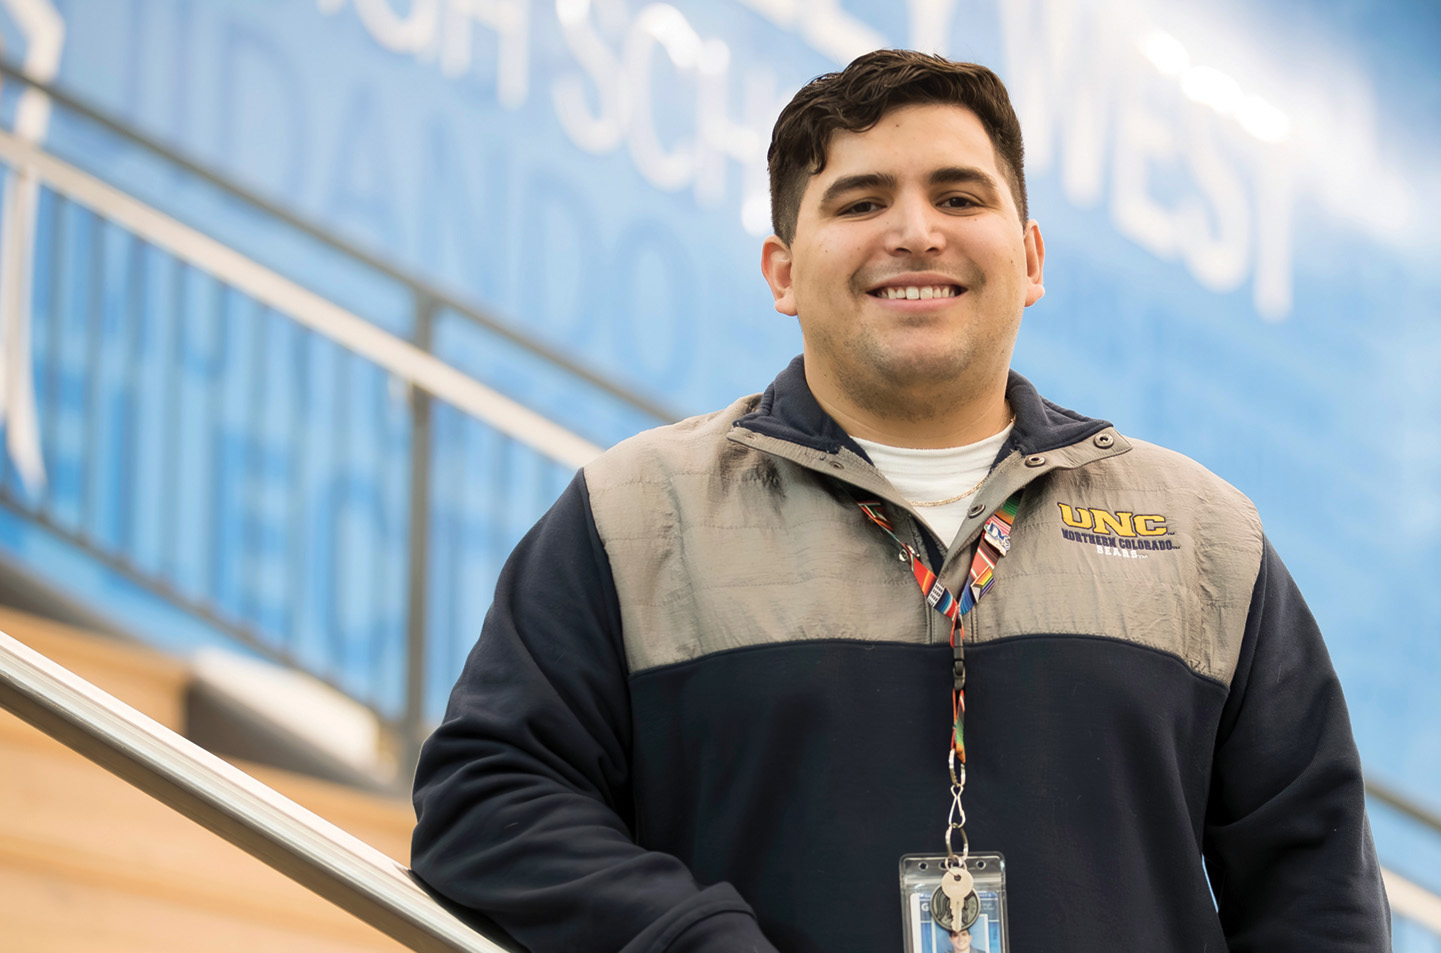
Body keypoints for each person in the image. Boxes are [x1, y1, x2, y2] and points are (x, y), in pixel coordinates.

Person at [411, 49, 1390, 953]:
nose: (915, 232)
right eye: (860, 201)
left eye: (959, 195)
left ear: (1032, 257)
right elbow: (487, 799)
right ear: (784, 272)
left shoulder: (1201, 536)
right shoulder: (635, 514)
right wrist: (691, 939)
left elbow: (1318, 890)